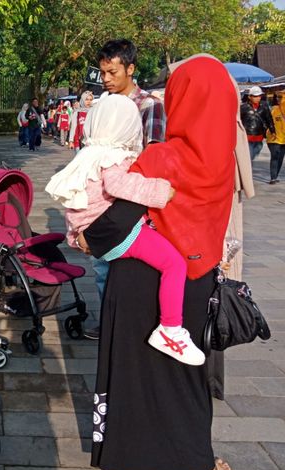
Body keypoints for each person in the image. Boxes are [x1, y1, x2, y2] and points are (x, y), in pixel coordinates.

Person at [81, 55, 235, 470]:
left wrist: (83, 233)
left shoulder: (161, 156)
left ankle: (141, 464)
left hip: (137, 277)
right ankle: (200, 469)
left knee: (135, 369)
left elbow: (112, 221)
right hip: (193, 278)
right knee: (187, 374)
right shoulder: (222, 164)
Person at [46, 94, 205, 365]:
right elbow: (119, 187)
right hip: (120, 236)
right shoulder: (115, 156)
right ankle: (170, 329)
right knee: (174, 264)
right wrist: (162, 191)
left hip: (95, 233)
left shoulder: (90, 153)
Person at [84, 39, 168, 340]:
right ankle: (109, 324)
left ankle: (132, 328)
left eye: (112, 72)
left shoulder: (149, 105)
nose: (106, 79)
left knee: (133, 269)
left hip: (131, 202)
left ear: (130, 69)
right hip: (101, 202)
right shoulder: (103, 104)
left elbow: (153, 157)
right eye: (103, 72)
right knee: (102, 269)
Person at [240, 86, 273, 161]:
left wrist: (273, 131)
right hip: (247, 138)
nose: (258, 98)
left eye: (259, 96)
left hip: (259, 138)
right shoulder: (243, 107)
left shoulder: (264, 106)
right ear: (249, 97)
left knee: (252, 157)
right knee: (249, 159)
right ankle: (246, 172)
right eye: (255, 96)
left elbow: (269, 119)